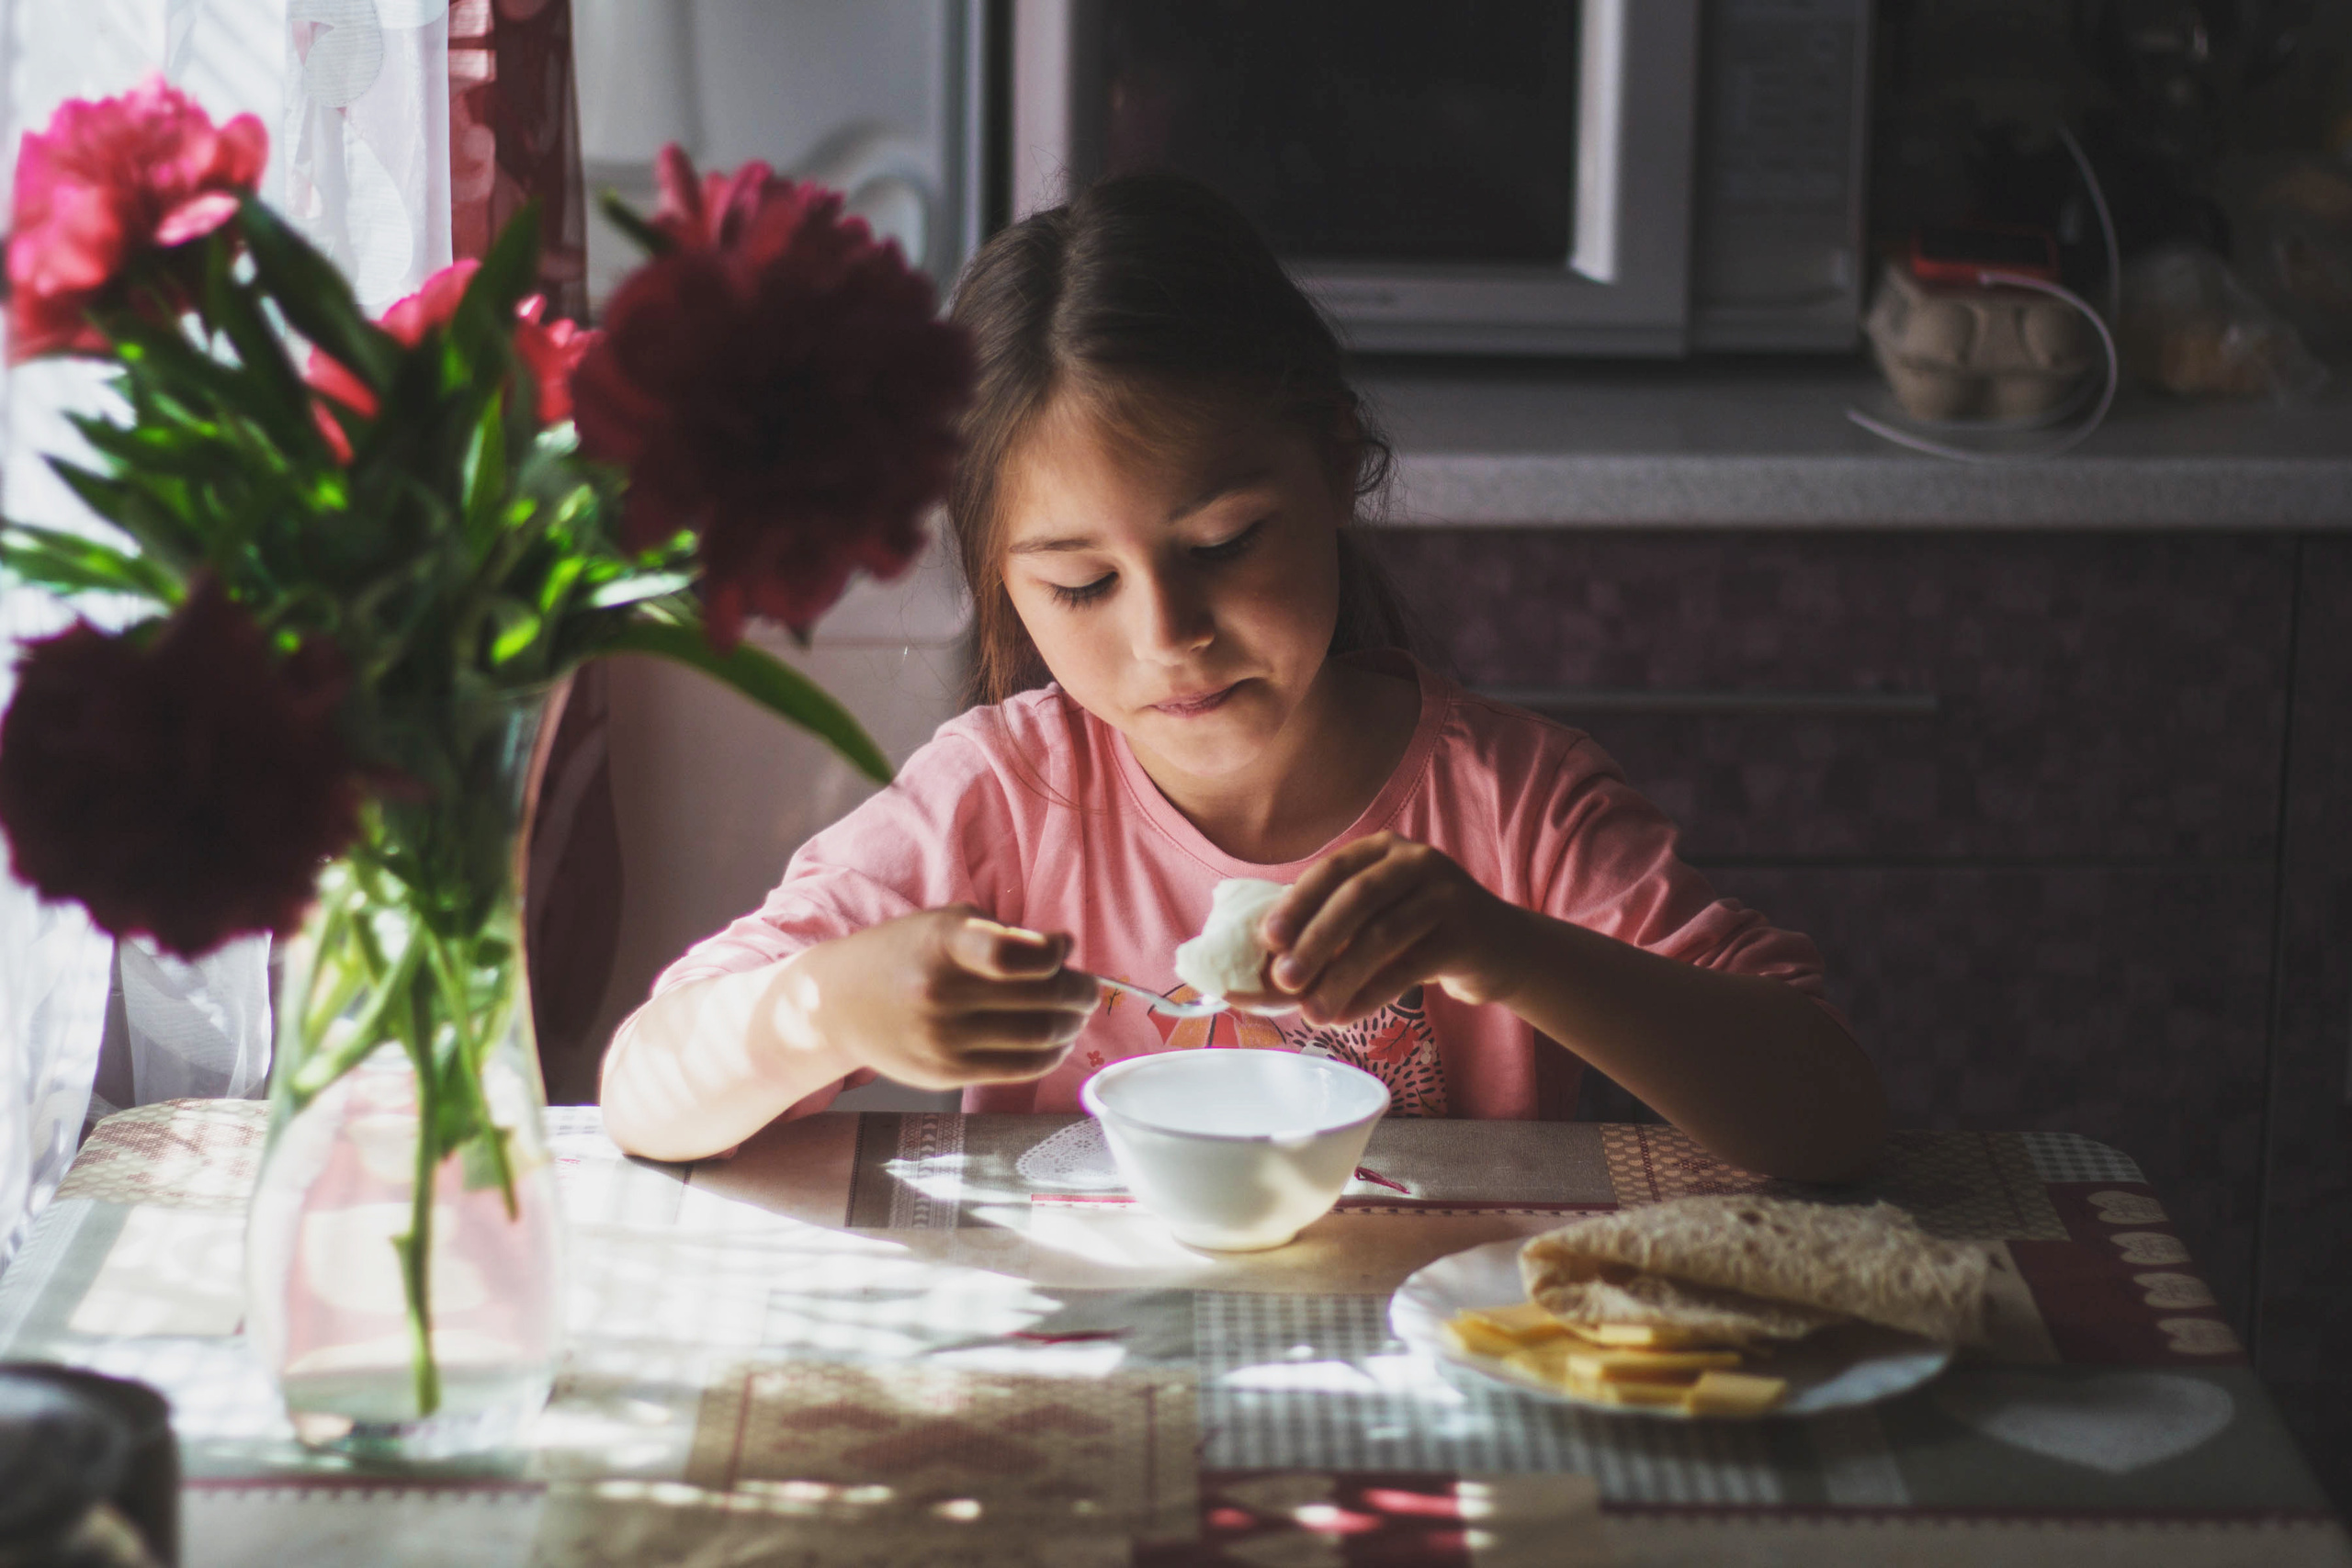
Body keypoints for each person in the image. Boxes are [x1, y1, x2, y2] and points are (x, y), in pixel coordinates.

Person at [599, 173, 1887, 1181]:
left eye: (1221, 546)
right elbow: (644, 1095)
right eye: (1083, 586)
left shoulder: (1516, 807)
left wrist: (1505, 950)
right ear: (1002, 580)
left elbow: (1829, 1116)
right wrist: (824, 1008)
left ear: (1334, 467)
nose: (1168, 636)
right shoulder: (997, 800)